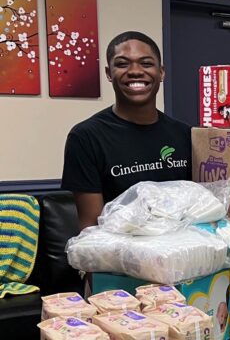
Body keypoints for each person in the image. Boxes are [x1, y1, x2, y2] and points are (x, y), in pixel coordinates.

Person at [61, 31, 192, 230]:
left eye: (146, 63)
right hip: (120, 256)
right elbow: (91, 227)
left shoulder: (185, 134)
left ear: (162, 72)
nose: (135, 71)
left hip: (183, 253)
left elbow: (198, 208)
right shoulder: (86, 137)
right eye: (122, 64)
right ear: (108, 73)